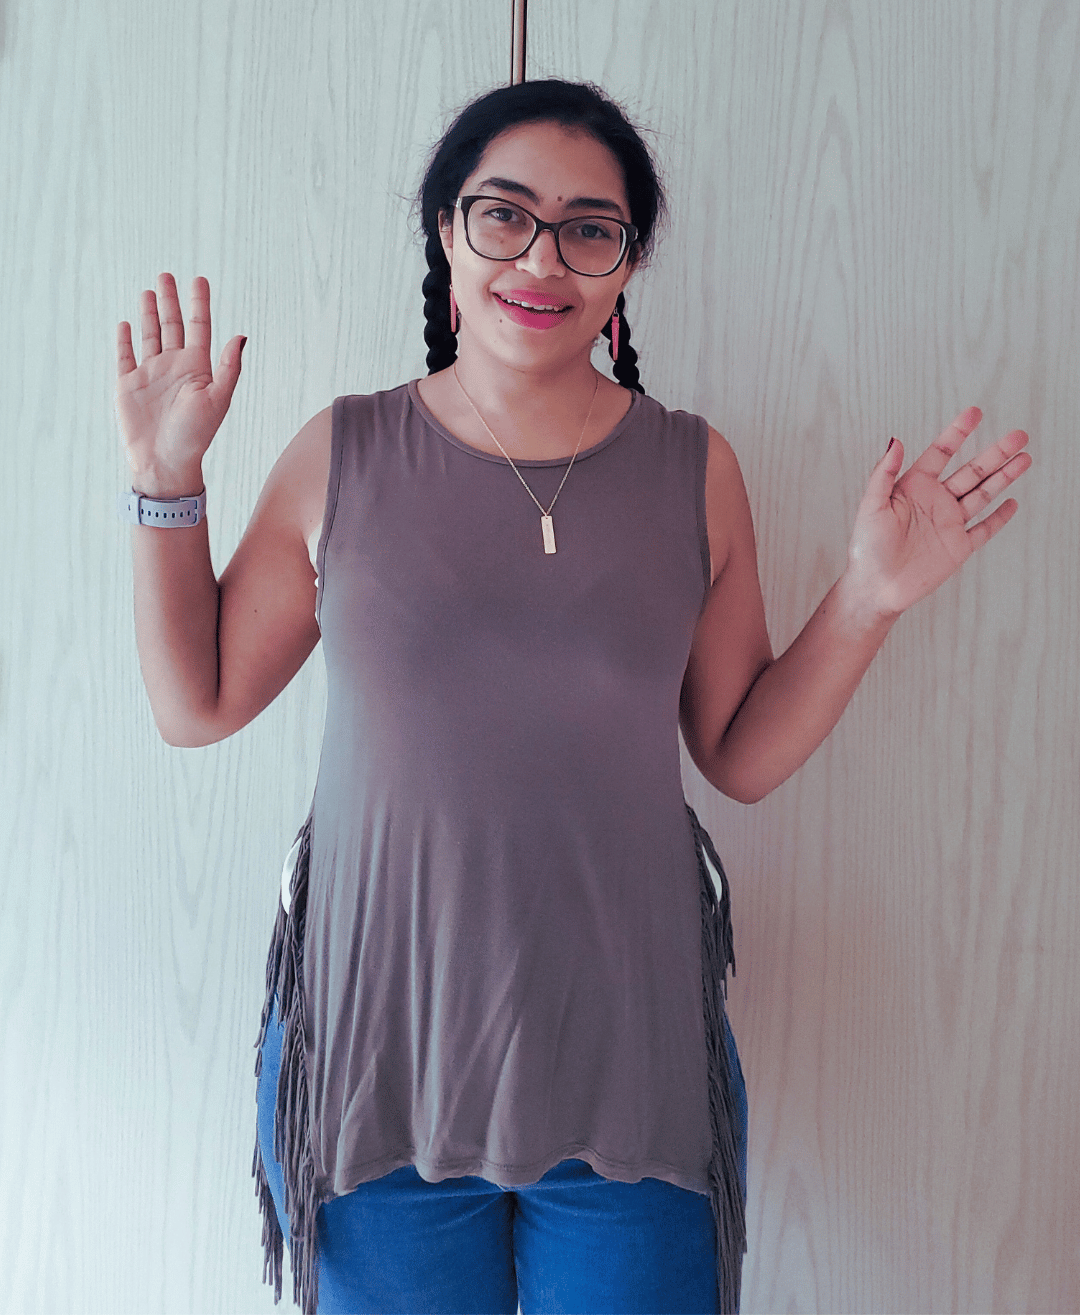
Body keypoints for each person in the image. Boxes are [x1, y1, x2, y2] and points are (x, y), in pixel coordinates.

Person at [114, 79, 1031, 1315]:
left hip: (629, 1078)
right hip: (381, 1068)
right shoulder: (347, 453)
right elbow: (198, 701)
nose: (542, 257)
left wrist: (868, 595)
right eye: (504, 216)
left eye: (589, 228)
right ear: (447, 231)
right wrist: (167, 479)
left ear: (625, 266)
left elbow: (738, 751)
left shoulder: (692, 467)